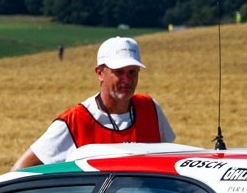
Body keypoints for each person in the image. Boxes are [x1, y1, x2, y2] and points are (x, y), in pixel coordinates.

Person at [12, 36, 175, 171]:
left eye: (132, 72)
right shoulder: (74, 122)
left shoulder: (150, 108)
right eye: (119, 72)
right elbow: (19, 171)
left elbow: (170, 163)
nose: (127, 80)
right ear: (100, 73)